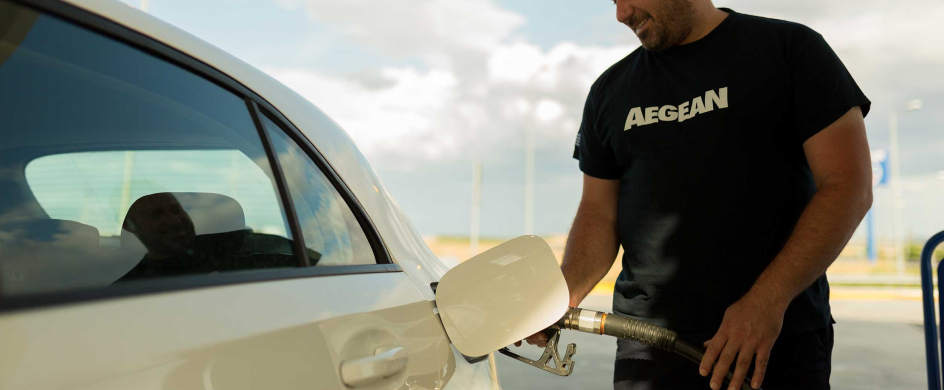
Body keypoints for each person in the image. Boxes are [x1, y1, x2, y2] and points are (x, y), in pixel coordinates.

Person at [516, 1, 871, 389]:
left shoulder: (790, 49)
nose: (621, 13)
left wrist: (767, 302)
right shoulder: (610, 90)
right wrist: (562, 296)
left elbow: (848, 187)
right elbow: (599, 213)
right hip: (645, 346)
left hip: (770, 339)